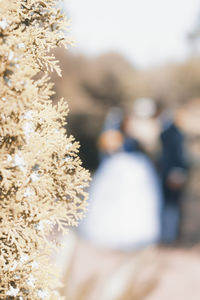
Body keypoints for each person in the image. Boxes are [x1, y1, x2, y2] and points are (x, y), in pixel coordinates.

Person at [78, 108, 163, 250]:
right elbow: (107, 149)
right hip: (120, 167)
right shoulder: (115, 134)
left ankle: (135, 235)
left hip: (137, 169)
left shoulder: (139, 138)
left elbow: (151, 151)